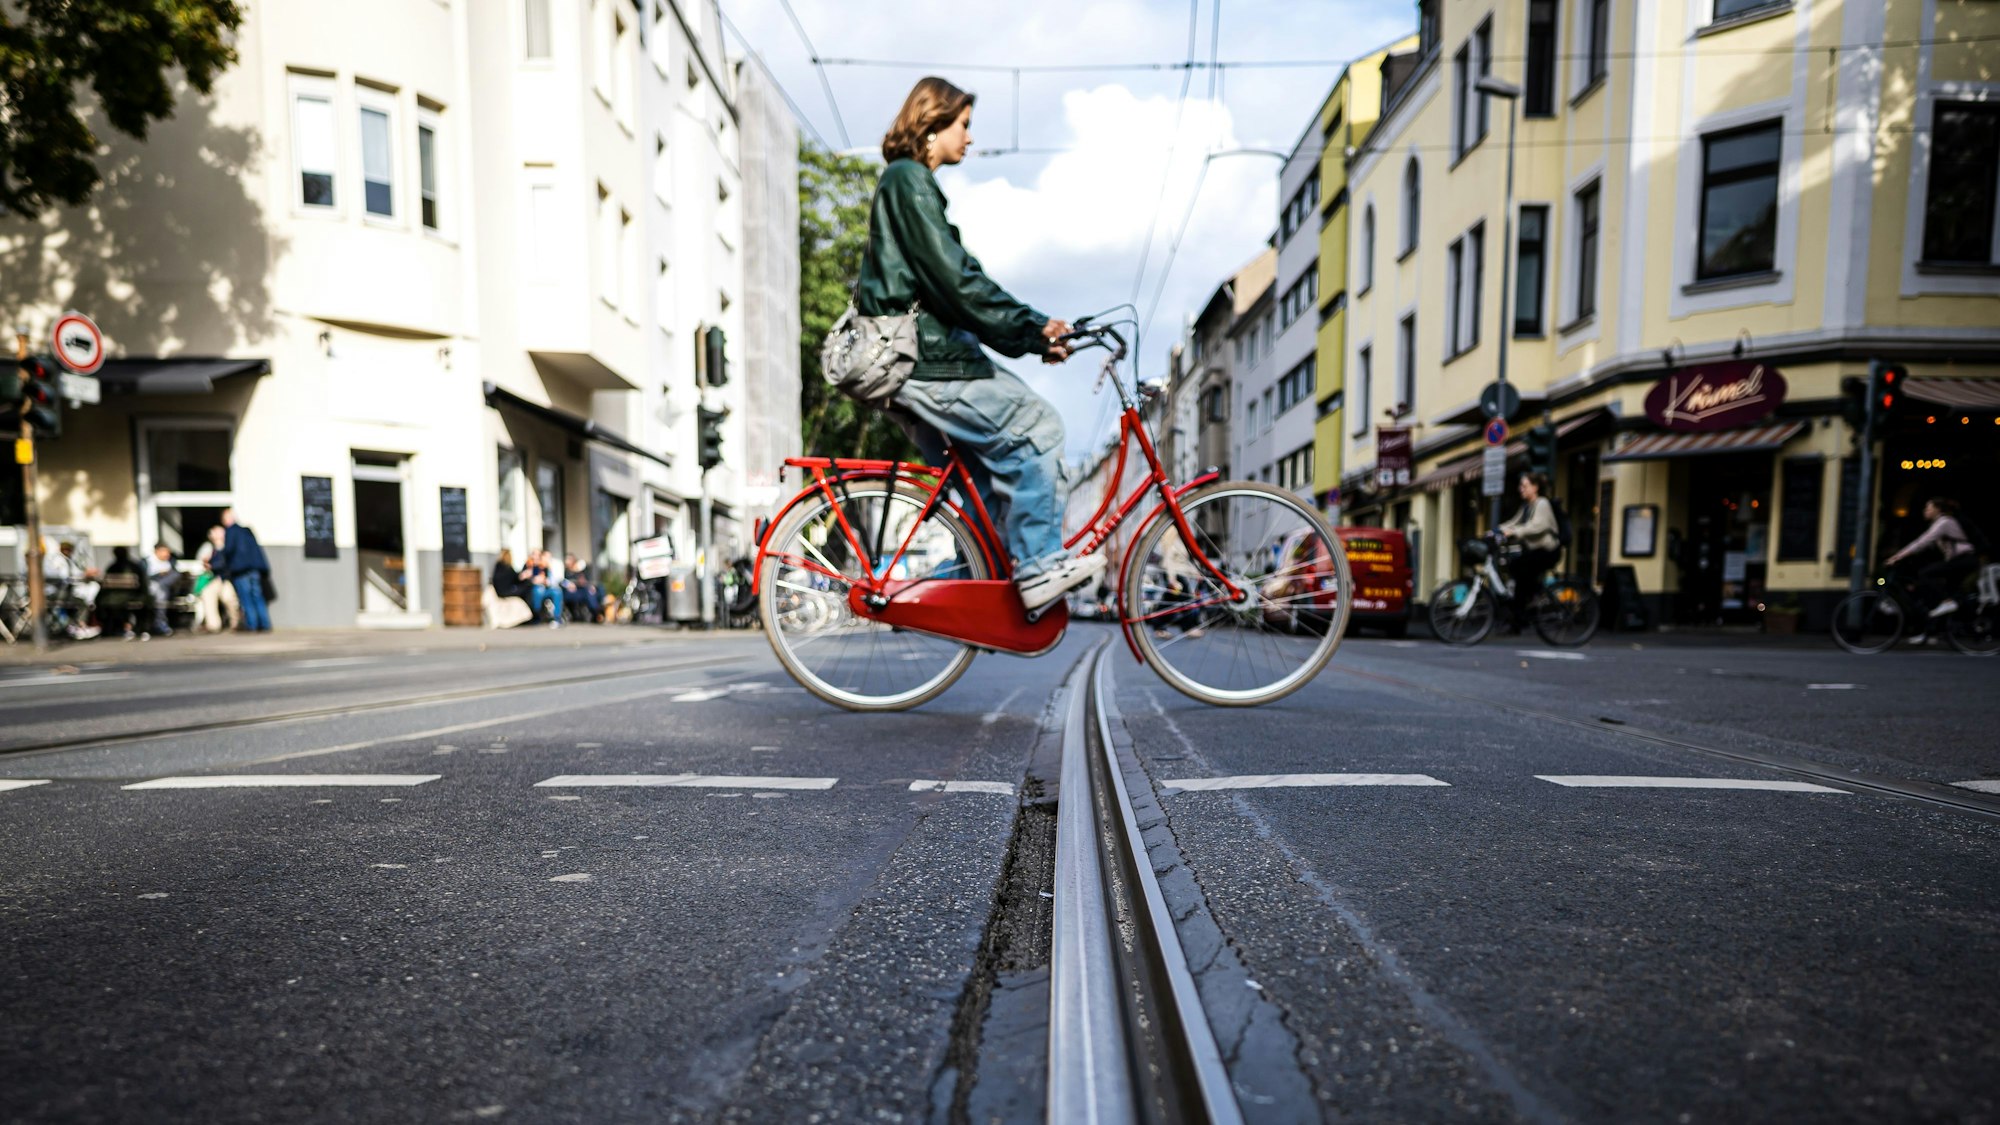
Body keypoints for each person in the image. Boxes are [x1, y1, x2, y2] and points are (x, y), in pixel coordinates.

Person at [859, 76, 1099, 613]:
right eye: (963, 125)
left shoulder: (907, 184)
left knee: (988, 497)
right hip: (927, 361)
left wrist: (1032, 334)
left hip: (924, 360)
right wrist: (1033, 329)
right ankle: (1038, 568)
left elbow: (958, 282)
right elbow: (957, 282)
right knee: (1039, 426)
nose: (969, 137)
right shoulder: (908, 181)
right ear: (932, 122)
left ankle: (955, 603)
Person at [1886, 497, 1978, 633]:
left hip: (1963, 560)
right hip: (1959, 561)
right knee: (1952, 593)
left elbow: (1922, 542)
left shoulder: (1944, 522)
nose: (1925, 511)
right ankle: (1935, 629)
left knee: (1926, 574)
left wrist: (1897, 556)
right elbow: (1924, 547)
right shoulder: (1938, 524)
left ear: (1937, 510)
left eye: (1928, 508)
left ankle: (1948, 603)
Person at [1494, 472, 1561, 630]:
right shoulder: (1526, 507)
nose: (1521, 489)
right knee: (1515, 569)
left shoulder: (1542, 503)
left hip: (1548, 551)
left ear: (1535, 487)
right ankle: (1520, 615)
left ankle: (1531, 603)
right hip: (1535, 551)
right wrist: (1496, 531)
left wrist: (1514, 532)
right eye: (1520, 486)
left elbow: (1537, 526)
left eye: (1525, 486)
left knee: (1521, 571)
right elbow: (1513, 522)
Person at [213, 507, 272, 632]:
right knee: (257, 596)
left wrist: (219, 549)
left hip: (240, 570)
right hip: (255, 569)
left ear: (225, 520)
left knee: (246, 598)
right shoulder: (247, 532)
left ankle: (252, 625)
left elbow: (228, 551)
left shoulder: (230, 532)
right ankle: (265, 625)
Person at [43, 540, 102, 640]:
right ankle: (79, 626)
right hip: (57, 592)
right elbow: (65, 576)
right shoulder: (57, 560)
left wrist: (85, 574)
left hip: (65, 591)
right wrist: (84, 574)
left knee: (82, 600)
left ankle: (76, 626)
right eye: (65, 549)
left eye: (69, 549)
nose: (67, 551)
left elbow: (75, 573)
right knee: (81, 603)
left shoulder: (68, 560)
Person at [195, 526, 240, 633]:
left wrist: (212, 565)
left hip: (227, 578)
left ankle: (236, 622)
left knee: (229, 599)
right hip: (214, 578)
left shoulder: (228, 546)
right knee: (208, 595)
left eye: (216, 533)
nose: (213, 535)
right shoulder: (210, 547)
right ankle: (213, 625)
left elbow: (225, 563)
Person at [98, 546, 150, 640]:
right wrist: (144, 597)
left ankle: (112, 628)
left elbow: (104, 584)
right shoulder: (135, 566)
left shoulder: (112, 567)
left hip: (111, 598)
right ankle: (138, 628)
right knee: (143, 605)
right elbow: (143, 584)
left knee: (101, 603)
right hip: (131, 596)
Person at [522, 549, 564, 626]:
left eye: (538, 555)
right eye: (534, 554)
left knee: (557, 591)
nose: (536, 557)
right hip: (532, 590)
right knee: (538, 590)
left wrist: (544, 580)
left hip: (545, 589)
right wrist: (530, 578)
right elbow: (524, 578)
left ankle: (557, 618)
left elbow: (548, 580)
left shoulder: (543, 566)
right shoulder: (528, 565)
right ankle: (536, 615)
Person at [146, 543, 179, 637]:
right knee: (158, 591)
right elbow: (145, 577)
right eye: (165, 551)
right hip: (150, 589)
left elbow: (176, 577)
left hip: (165, 590)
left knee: (160, 592)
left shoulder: (171, 563)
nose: (167, 554)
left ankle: (159, 623)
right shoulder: (147, 561)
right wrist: (158, 574)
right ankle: (159, 624)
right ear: (157, 551)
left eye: (168, 552)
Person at [562, 553, 603, 622]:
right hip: (572, 592)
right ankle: (596, 612)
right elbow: (563, 581)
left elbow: (588, 580)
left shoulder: (581, 569)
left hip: (583, 590)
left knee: (595, 590)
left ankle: (597, 611)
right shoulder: (566, 572)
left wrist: (590, 585)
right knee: (588, 594)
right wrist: (569, 585)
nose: (567, 562)